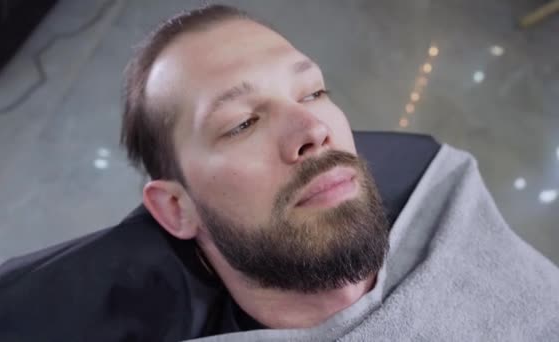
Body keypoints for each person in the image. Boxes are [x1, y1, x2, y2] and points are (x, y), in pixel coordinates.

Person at [118, 4, 559, 341]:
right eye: (242, 123)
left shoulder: (450, 205)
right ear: (177, 208)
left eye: (313, 93)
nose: (314, 130)